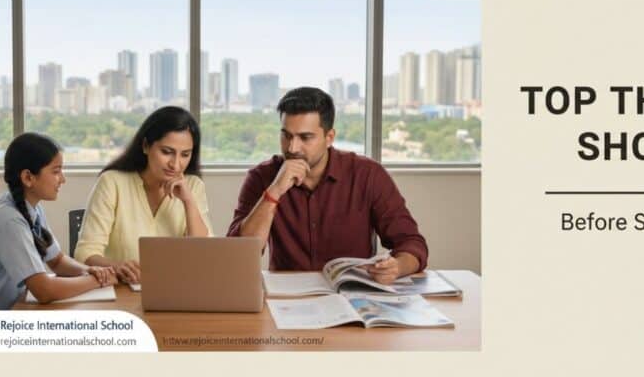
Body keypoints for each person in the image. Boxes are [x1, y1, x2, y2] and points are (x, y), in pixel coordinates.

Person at [228, 87, 429, 284]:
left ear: (329, 138)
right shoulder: (261, 177)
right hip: (288, 303)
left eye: (305, 137)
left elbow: (412, 244)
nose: (292, 148)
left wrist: (397, 268)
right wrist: (274, 192)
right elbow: (237, 256)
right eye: (286, 135)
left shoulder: (367, 174)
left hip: (351, 296)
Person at [0, 133, 117, 310]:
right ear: (28, 177)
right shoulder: (10, 220)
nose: (63, 179)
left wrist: (87, 270)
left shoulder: (31, 209)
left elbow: (57, 261)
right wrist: (95, 281)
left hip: (6, 309)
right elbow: (44, 291)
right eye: (56, 171)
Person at [74, 106, 212, 284]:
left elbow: (204, 255)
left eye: (185, 155)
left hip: (178, 292)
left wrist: (188, 201)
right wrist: (117, 266)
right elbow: (85, 254)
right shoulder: (112, 182)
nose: (176, 165)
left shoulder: (194, 186)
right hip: (121, 294)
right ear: (146, 146)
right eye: (167, 152)